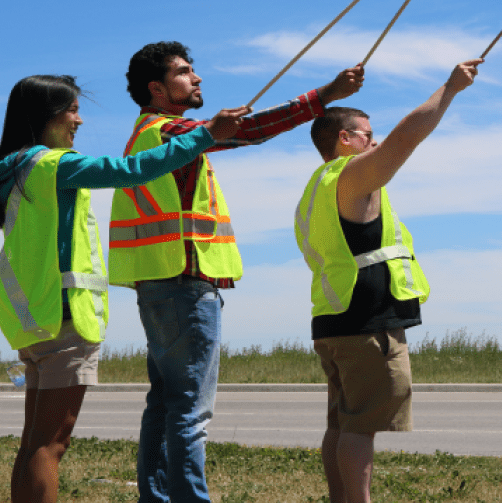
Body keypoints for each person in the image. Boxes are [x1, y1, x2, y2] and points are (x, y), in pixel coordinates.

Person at [108, 41, 364, 503]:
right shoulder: (169, 133)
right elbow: (251, 131)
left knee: (164, 406)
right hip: (186, 284)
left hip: (160, 285)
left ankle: (158, 498)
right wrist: (323, 96)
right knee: (189, 412)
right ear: (157, 88)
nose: (197, 77)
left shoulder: (146, 133)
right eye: (185, 72)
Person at [0, 74, 246, 503]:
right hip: (66, 318)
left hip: (35, 320)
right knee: (51, 447)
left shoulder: (12, 170)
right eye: (72, 110)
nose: (79, 120)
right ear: (47, 116)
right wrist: (206, 136)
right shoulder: (53, 165)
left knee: (33, 445)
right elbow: (131, 171)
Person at [294, 58, 483, 503]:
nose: (374, 142)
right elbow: (407, 137)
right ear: (344, 140)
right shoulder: (350, 175)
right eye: (366, 134)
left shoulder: (315, 186)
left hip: (335, 319)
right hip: (366, 324)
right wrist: (450, 88)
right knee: (360, 427)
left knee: (342, 423)